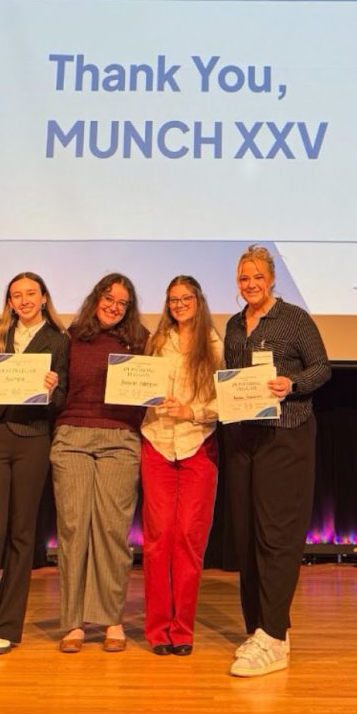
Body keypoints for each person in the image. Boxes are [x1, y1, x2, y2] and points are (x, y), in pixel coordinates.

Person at [222, 244, 330, 677]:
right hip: (242, 438)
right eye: (244, 278)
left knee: (276, 537)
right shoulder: (233, 325)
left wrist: (293, 383)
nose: (251, 285)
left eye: (258, 278)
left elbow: (322, 368)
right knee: (247, 536)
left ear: (271, 280)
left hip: (286, 435)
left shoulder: (294, 319)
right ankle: (263, 631)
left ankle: (274, 634)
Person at [0, 272, 68, 655]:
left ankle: (7, 625)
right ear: (9, 301)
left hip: (32, 439)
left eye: (30, 294)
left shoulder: (59, 340)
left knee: (22, 535)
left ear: (43, 298)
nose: (23, 300)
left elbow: (62, 399)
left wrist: (53, 389)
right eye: (15, 295)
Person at [50, 273, 149, 653]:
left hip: (120, 439)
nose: (113, 306)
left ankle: (111, 619)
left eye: (122, 302)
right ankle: (74, 623)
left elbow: (150, 391)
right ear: (96, 298)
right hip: (72, 436)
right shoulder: (71, 337)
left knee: (111, 531)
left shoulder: (140, 341)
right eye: (108, 298)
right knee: (74, 528)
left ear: (129, 308)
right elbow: (59, 389)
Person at [141, 275, 223, 656]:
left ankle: (182, 629)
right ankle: (158, 630)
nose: (178, 305)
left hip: (198, 447)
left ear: (198, 299)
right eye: (172, 299)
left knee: (189, 540)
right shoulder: (156, 343)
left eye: (185, 298)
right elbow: (137, 389)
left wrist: (193, 412)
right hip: (157, 443)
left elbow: (228, 402)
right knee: (159, 540)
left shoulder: (215, 346)